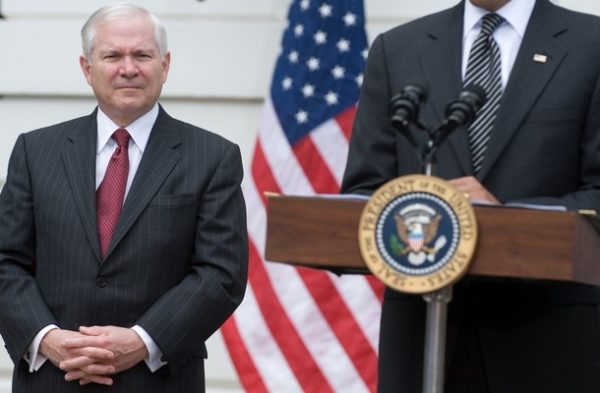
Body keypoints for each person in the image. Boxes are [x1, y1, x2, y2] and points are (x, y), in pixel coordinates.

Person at [342, 0, 600, 392]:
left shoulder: (591, 44)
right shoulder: (398, 49)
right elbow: (366, 191)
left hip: (548, 340)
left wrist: (504, 217)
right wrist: (424, 209)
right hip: (424, 338)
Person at [0, 3, 248, 392]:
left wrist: (141, 341)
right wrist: (47, 338)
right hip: (52, 376)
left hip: (158, 378)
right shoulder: (36, 152)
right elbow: (6, 260)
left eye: (142, 55)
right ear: (87, 68)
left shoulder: (213, 157)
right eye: (113, 55)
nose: (128, 68)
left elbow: (221, 274)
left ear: (164, 66)